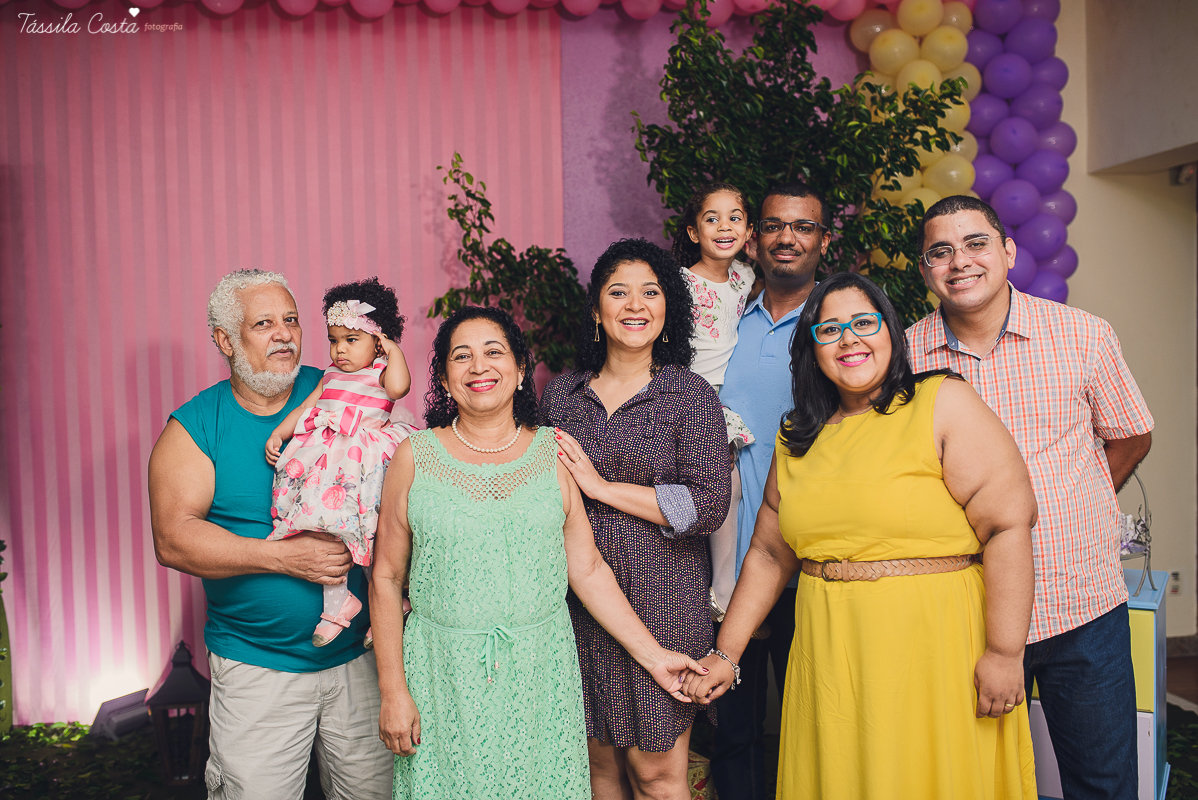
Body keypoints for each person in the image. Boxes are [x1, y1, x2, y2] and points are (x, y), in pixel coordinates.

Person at [686, 271, 1039, 799]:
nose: (848, 339)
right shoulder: (797, 435)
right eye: (829, 330)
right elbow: (768, 553)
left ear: (890, 331)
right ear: (812, 350)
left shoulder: (941, 402)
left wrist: (1005, 653)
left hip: (936, 650)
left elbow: (1008, 525)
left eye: (863, 323)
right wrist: (727, 654)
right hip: (830, 654)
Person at [372, 306, 706, 800]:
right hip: (442, 675)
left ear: (521, 369)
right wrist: (393, 691)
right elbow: (384, 578)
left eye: (494, 352)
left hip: (540, 674)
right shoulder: (413, 456)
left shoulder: (554, 452)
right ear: (443, 378)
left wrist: (655, 658)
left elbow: (587, 569)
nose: (479, 367)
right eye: (461, 357)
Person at [907, 195, 1154, 800]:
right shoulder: (904, 356)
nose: (960, 261)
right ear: (925, 269)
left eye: (976, 243)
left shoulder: (1082, 334)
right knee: (965, 784)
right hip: (964, 609)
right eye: (941, 251)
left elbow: (1131, 435)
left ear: (1009, 252)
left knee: (1102, 783)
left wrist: (1077, 499)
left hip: (1079, 604)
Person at [148, 269, 392, 799]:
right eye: (263, 324)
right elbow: (173, 539)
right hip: (257, 670)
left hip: (363, 661)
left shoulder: (342, 384)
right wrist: (284, 558)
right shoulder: (196, 427)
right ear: (225, 340)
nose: (284, 334)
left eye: (291, 320)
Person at [540, 238, 731, 800]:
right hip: (578, 604)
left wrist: (601, 488)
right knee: (598, 771)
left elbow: (708, 505)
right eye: (618, 292)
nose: (635, 305)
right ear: (596, 310)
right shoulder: (563, 396)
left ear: (669, 307)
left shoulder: (689, 394)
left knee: (656, 775)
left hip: (665, 602)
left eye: (651, 292)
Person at [708, 182, 830, 800]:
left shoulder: (840, 327)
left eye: (803, 227)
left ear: (823, 240)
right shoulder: (724, 323)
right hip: (728, 568)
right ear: (754, 239)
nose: (788, 238)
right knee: (731, 733)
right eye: (776, 226)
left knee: (818, 729)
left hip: (813, 565)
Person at [265, 277, 415, 649]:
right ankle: (337, 602)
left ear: (377, 341)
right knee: (327, 529)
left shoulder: (381, 372)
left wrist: (392, 350)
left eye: (351, 339)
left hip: (369, 465)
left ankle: (393, 602)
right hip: (331, 465)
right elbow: (306, 409)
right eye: (334, 340)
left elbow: (399, 388)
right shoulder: (330, 375)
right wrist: (280, 433)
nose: (340, 349)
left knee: (380, 534)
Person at [670, 182, 756, 624]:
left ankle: (727, 584)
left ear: (749, 231)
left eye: (734, 218)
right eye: (712, 219)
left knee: (734, 486)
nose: (724, 227)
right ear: (693, 232)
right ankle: (719, 586)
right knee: (718, 484)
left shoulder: (745, 276)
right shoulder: (681, 283)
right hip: (690, 393)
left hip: (725, 396)